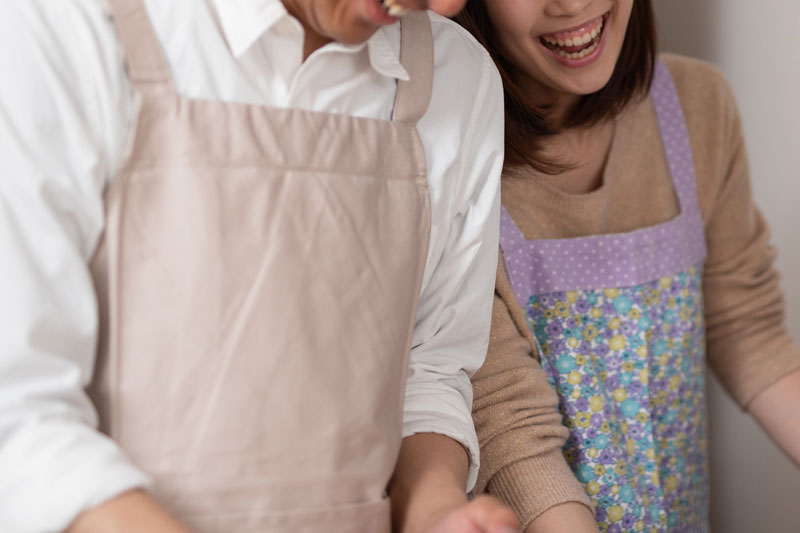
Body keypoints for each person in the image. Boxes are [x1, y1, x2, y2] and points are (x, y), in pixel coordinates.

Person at [0, 1, 521, 532]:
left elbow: (427, 372)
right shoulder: (61, 26)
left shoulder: (459, 77)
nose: (443, 4)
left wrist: (434, 512)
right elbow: (17, 416)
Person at [453, 0, 800, 531]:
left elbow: (745, 325)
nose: (571, 4)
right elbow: (506, 421)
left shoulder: (698, 104)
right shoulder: (449, 154)